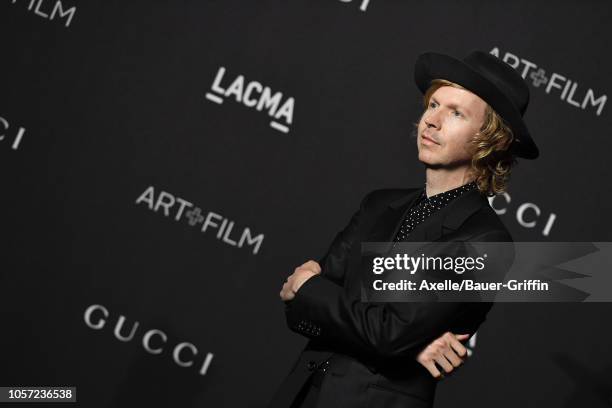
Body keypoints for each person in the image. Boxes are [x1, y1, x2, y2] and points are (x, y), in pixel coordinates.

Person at [268, 50, 539, 408]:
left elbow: (389, 334)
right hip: (299, 395)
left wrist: (311, 290)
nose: (432, 121)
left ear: (492, 139)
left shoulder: (486, 240)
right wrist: (410, 345)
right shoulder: (378, 204)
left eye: (455, 113)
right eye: (433, 105)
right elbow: (298, 313)